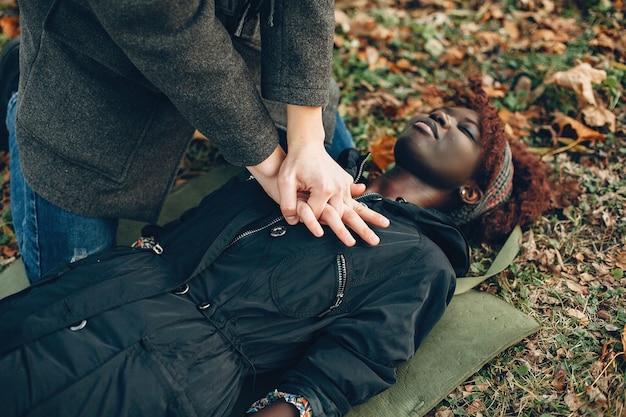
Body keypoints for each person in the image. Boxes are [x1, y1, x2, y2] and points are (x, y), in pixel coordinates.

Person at [0, 74, 552, 417]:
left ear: (471, 190)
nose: (441, 116)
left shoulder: (420, 261)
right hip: (96, 289)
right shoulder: (316, 166)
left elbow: (348, 367)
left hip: (164, 371)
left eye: (465, 129)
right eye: (447, 109)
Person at [1, 1, 387, 284]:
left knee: (335, 158)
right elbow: (167, 29)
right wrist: (269, 165)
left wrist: (307, 137)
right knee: (76, 293)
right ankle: (21, 82)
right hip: (92, 50)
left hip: (232, 23)